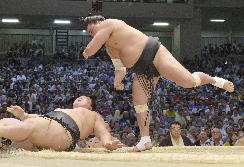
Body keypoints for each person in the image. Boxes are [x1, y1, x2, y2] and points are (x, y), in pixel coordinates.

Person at [81, 15, 234, 151]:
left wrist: (86, 51)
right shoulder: (110, 48)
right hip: (142, 70)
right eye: (89, 33)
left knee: (189, 81)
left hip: (154, 53)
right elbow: (120, 69)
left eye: (92, 30)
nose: (92, 34)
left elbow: (92, 47)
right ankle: (146, 140)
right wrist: (117, 81)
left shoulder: (109, 23)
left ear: (99, 22)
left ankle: (216, 81)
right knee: (139, 102)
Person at [0, 96, 122, 161]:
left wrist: (107, 143)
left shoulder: (93, 115)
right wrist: (23, 115)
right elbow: (37, 120)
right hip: (43, 131)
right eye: (78, 97)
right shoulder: (61, 110)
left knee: (34, 125)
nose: (79, 98)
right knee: (6, 120)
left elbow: (103, 132)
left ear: (90, 105)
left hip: (64, 134)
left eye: (84, 98)